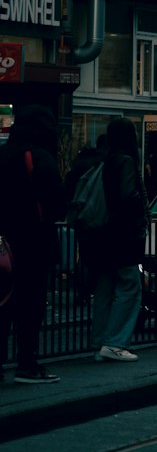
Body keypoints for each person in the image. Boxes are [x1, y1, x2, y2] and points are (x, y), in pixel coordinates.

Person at [0, 105, 65, 384]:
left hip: (3, 245)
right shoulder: (39, 158)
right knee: (30, 305)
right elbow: (57, 205)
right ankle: (27, 363)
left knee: (3, 304)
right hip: (33, 243)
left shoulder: (4, 154)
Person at [86, 117, 148, 363]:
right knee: (130, 286)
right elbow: (127, 198)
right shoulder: (126, 161)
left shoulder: (103, 160)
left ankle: (100, 341)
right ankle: (115, 342)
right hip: (122, 235)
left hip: (100, 234)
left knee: (104, 288)